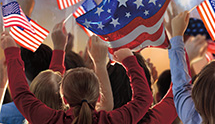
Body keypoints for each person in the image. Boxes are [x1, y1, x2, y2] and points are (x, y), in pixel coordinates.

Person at [1, 31, 153, 123]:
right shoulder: (111, 120)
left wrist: (12, 53)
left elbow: (21, 94)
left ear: (64, 99)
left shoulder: (49, 120)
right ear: (99, 98)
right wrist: (129, 60)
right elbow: (144, 99)